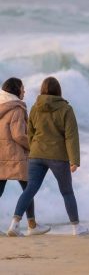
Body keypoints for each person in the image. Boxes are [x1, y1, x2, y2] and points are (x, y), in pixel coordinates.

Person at [8, 76, 89, 236]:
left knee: (30, 189)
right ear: (58, 91)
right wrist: (74, 160)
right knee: (66, 192)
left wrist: (32, 150)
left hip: (36, 154)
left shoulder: (35, 108)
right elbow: (71, 136)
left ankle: (14, 224)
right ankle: (76, 228)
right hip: (58, 156)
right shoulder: (66, 109)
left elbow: (30, 132)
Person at [0, 77, 50, 236]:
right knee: (29, 187)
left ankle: (31, 224)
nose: (24, 91)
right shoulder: (17, 109)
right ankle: (31, 225)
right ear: (16, 90)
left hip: (1, 155)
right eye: (22, 88)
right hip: (16, 156)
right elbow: (19, 135)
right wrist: (34, 147)